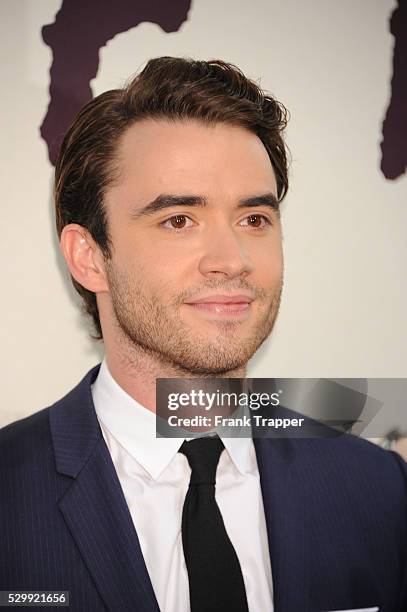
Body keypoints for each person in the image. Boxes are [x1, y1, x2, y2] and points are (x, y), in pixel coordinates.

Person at [0, 57, 406, 612]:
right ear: (89, 257)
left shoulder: (377, 487)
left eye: (254, 219)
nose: (232, 260)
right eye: (179, 220)